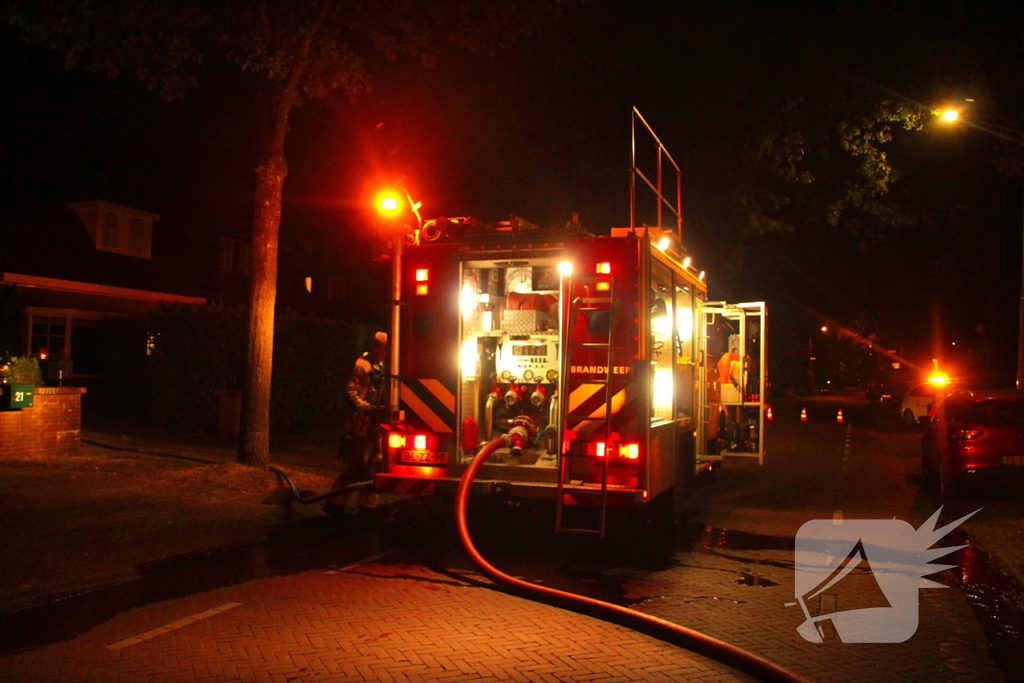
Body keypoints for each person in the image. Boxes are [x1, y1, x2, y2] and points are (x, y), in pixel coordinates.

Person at [324, 331, 388, 517]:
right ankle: (334, 502)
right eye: (385, 348)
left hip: (376, 420)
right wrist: (367, 407)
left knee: (374, 464)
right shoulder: (363, 365)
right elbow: (351, 391)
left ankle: (367, 505)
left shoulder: (383, 365)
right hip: (362, 420)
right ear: (377, 347)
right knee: (358, 463)